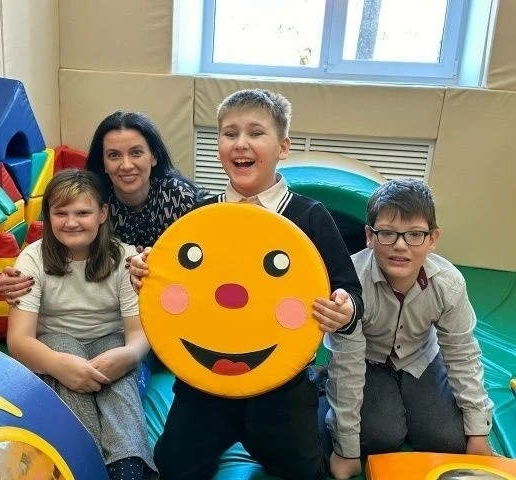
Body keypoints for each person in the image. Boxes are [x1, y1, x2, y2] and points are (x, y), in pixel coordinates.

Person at [128, 88, 364, 480]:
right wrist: (145, 274)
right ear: (219, 146)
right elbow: (171, 285)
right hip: (204, 383)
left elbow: (351, 291)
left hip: (282, 388)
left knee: (307, 473)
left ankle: (318, 396)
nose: (241, 143)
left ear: (283, 147)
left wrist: (345, 308)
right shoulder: (201, 216)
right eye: (229, 133)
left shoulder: (310, 216)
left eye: (256, 133)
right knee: (172, 467)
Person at [323, 178, 494, 480]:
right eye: (387, 233)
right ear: (369, 236)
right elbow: (348, 363)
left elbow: (462, 354)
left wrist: (479, 432)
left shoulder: (448, 284)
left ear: (432, 239)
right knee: (378, 437)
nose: (400, 245)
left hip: (421, 358)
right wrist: (346, 449)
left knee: (449, 439)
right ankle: (320, 386)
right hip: (367, 361)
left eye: (415, 234)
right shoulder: (351, 284)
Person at [5, 168, 157, 480]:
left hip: (110, 341)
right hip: (54, 344)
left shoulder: (125, 259)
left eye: (83, 213)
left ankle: (127, 468)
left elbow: (137, 334)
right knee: (62, 347)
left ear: (102, 214)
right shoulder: (32, 260)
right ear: (48, 216)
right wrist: (59, 365)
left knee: (118, 376)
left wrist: (127, 356)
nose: (71, 222)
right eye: (61, 213)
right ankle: (84, 461)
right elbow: (19, 340)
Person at [0, 110, 201, 301]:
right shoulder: (92, 196)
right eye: (114, 155)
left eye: (136, 153)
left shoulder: (179, 198)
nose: (126, 165)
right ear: (103, 162)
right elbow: (54, 241)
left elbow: (199, 261)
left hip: (172, 296)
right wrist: (18, 276)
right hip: (106, 301)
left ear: (153, 157)